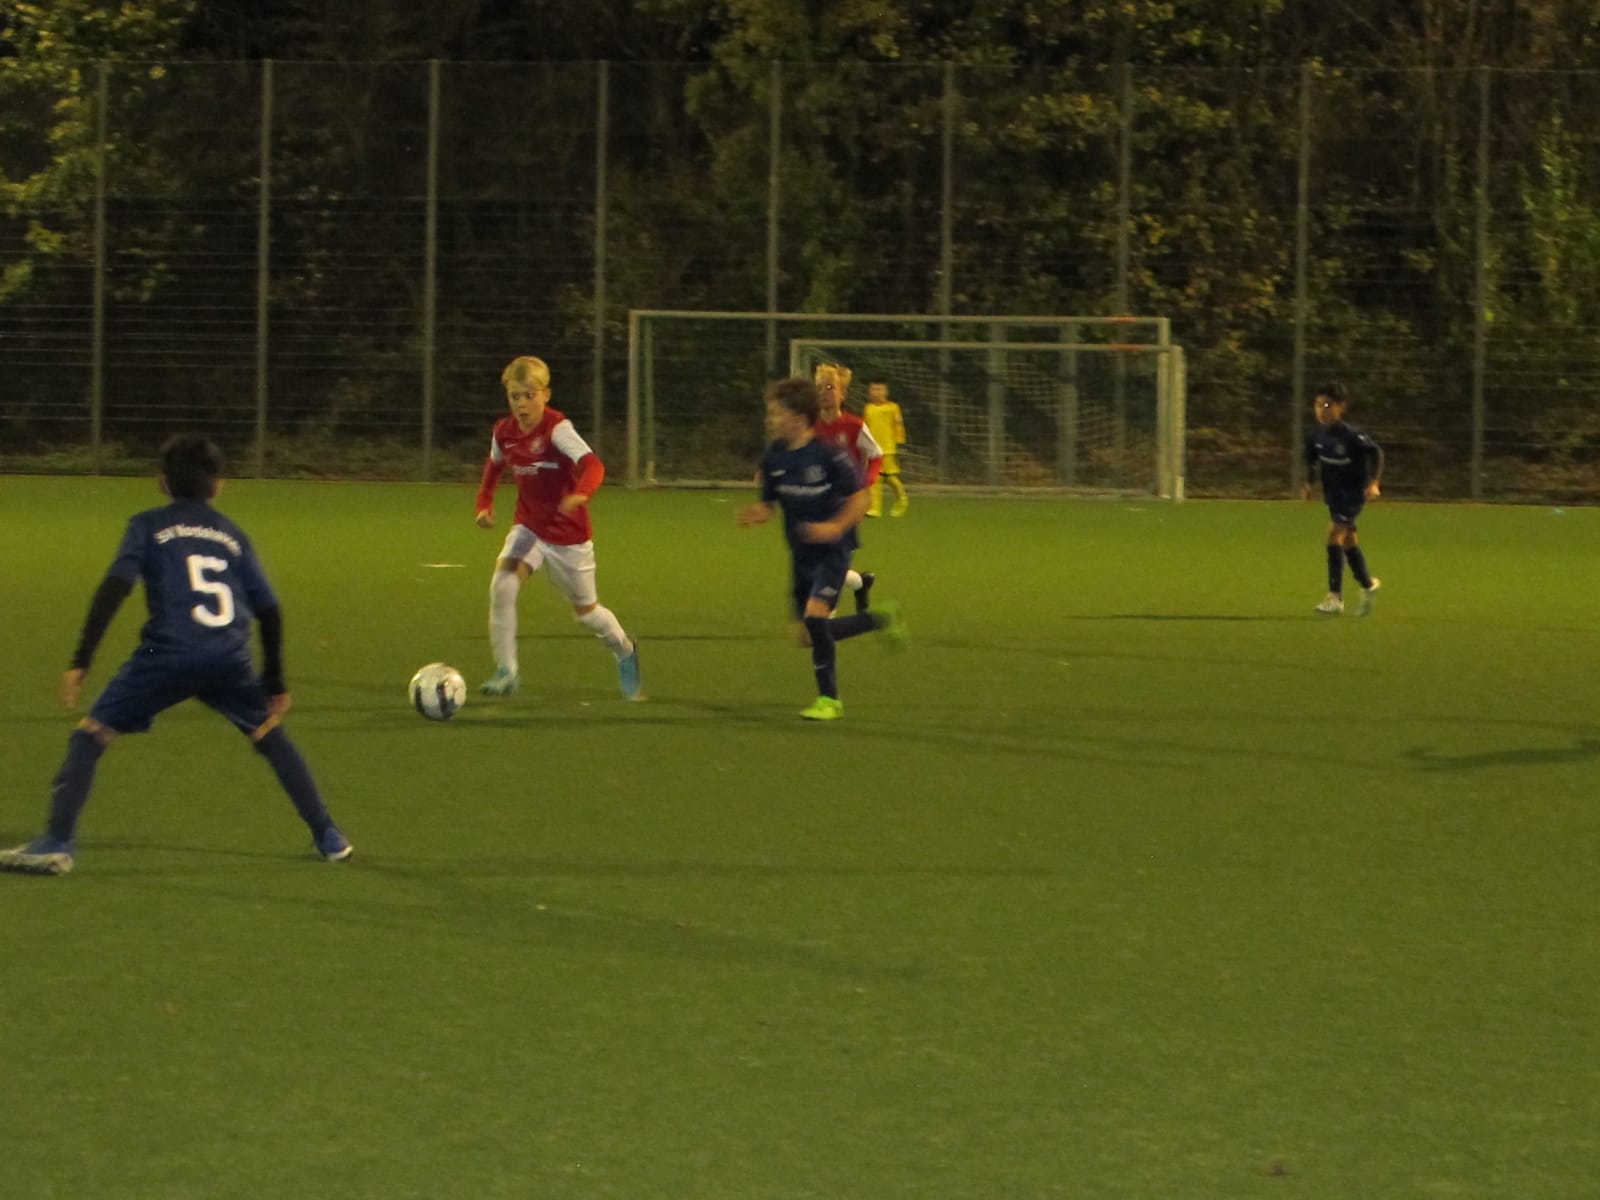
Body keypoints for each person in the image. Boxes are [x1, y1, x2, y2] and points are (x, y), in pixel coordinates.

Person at [0, 435, 352, 876]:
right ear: (218, 485)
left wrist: (81, 659)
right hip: (228, 655)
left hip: (165, 653)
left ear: (162, 483)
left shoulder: (147, 525)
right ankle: (329, 836)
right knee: (268, 733)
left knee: (91, 736)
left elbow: (115, 587)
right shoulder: (232, 535)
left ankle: (55, 842)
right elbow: (269, 609)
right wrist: (275, 680)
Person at [740, 377, 909, 721]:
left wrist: (834, 527)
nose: (771, 420)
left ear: (799, 417)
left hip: (834, 550)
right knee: (806, 636)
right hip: (801, 555)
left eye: (777, 413)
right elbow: (769, 501)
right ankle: (879, 618)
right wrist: (760, 512)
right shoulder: (774, 456)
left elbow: (860, 498)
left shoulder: (830, 454)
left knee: (816, 618)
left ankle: (829, 699)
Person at [475, 355, 643, 700]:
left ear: (546, 394)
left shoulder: (557, 429)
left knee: (586, 613)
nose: (522, 404)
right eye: (515, 396)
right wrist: (484, 503)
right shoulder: (504, 432)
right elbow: (493, 467)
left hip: (568, 535)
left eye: (529, 395)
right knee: (502, 585)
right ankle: (507, 671)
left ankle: (625, 649)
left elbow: (593, 465)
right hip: (528, 528)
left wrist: (582, 493)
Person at [1302, 382, 1383, 615]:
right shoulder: (1316, 435)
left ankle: (1334, 597)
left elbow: (1376, 452)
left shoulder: (1351, 435)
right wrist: (1309, 483)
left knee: (1333, 536)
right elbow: (1311, 460)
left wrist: (1374, 483)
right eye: (1318, 405)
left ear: (1342, 407)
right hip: (1334, 494)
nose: (1322, 410)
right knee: (1349, 542)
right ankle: (1368, 585)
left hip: (1353, 494)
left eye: (1328, 405)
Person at [811, 361, 883, 612]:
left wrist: (865, 482)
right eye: (820, 387)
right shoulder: (810, 427)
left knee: (828, 568)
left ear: (843, 393)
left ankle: (824, 621)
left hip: (846, 505)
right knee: (823, 567)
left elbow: (876, 456)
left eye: (830, 387)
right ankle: (861, 583)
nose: (824, 392)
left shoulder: (854, 426)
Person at [862, 380, 910, 517]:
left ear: (886, 392)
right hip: (873, 448)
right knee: (876, 477)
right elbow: (866, 427)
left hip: (888, 448)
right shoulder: (868, 408)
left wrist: (900, 443)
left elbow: (898, 426)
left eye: (880, 389)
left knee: (889, 477)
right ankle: (875, 508)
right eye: (873, 389)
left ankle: (902, 499)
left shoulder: (892, 408)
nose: (876, 393)